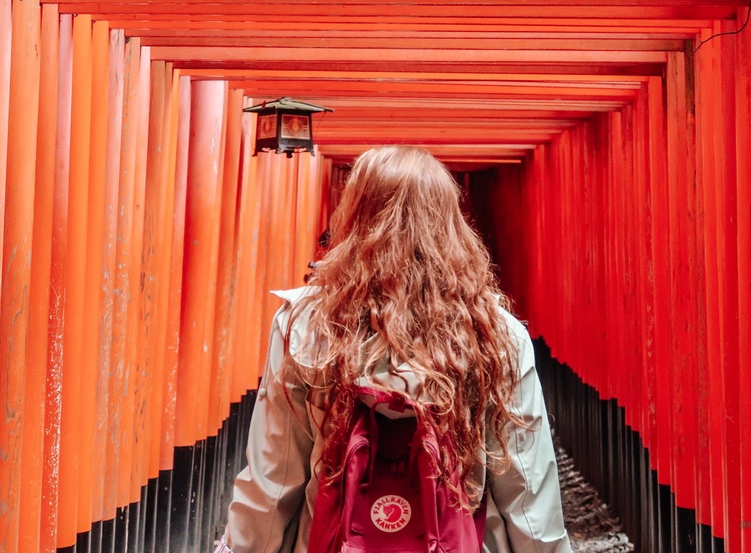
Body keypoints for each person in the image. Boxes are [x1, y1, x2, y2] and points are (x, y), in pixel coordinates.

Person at [216, 145, 572, 553]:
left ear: (354, 215)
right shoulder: (496, 334)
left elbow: (274, 476)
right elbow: (526, 488)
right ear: (452, 224)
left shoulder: (308, 326)